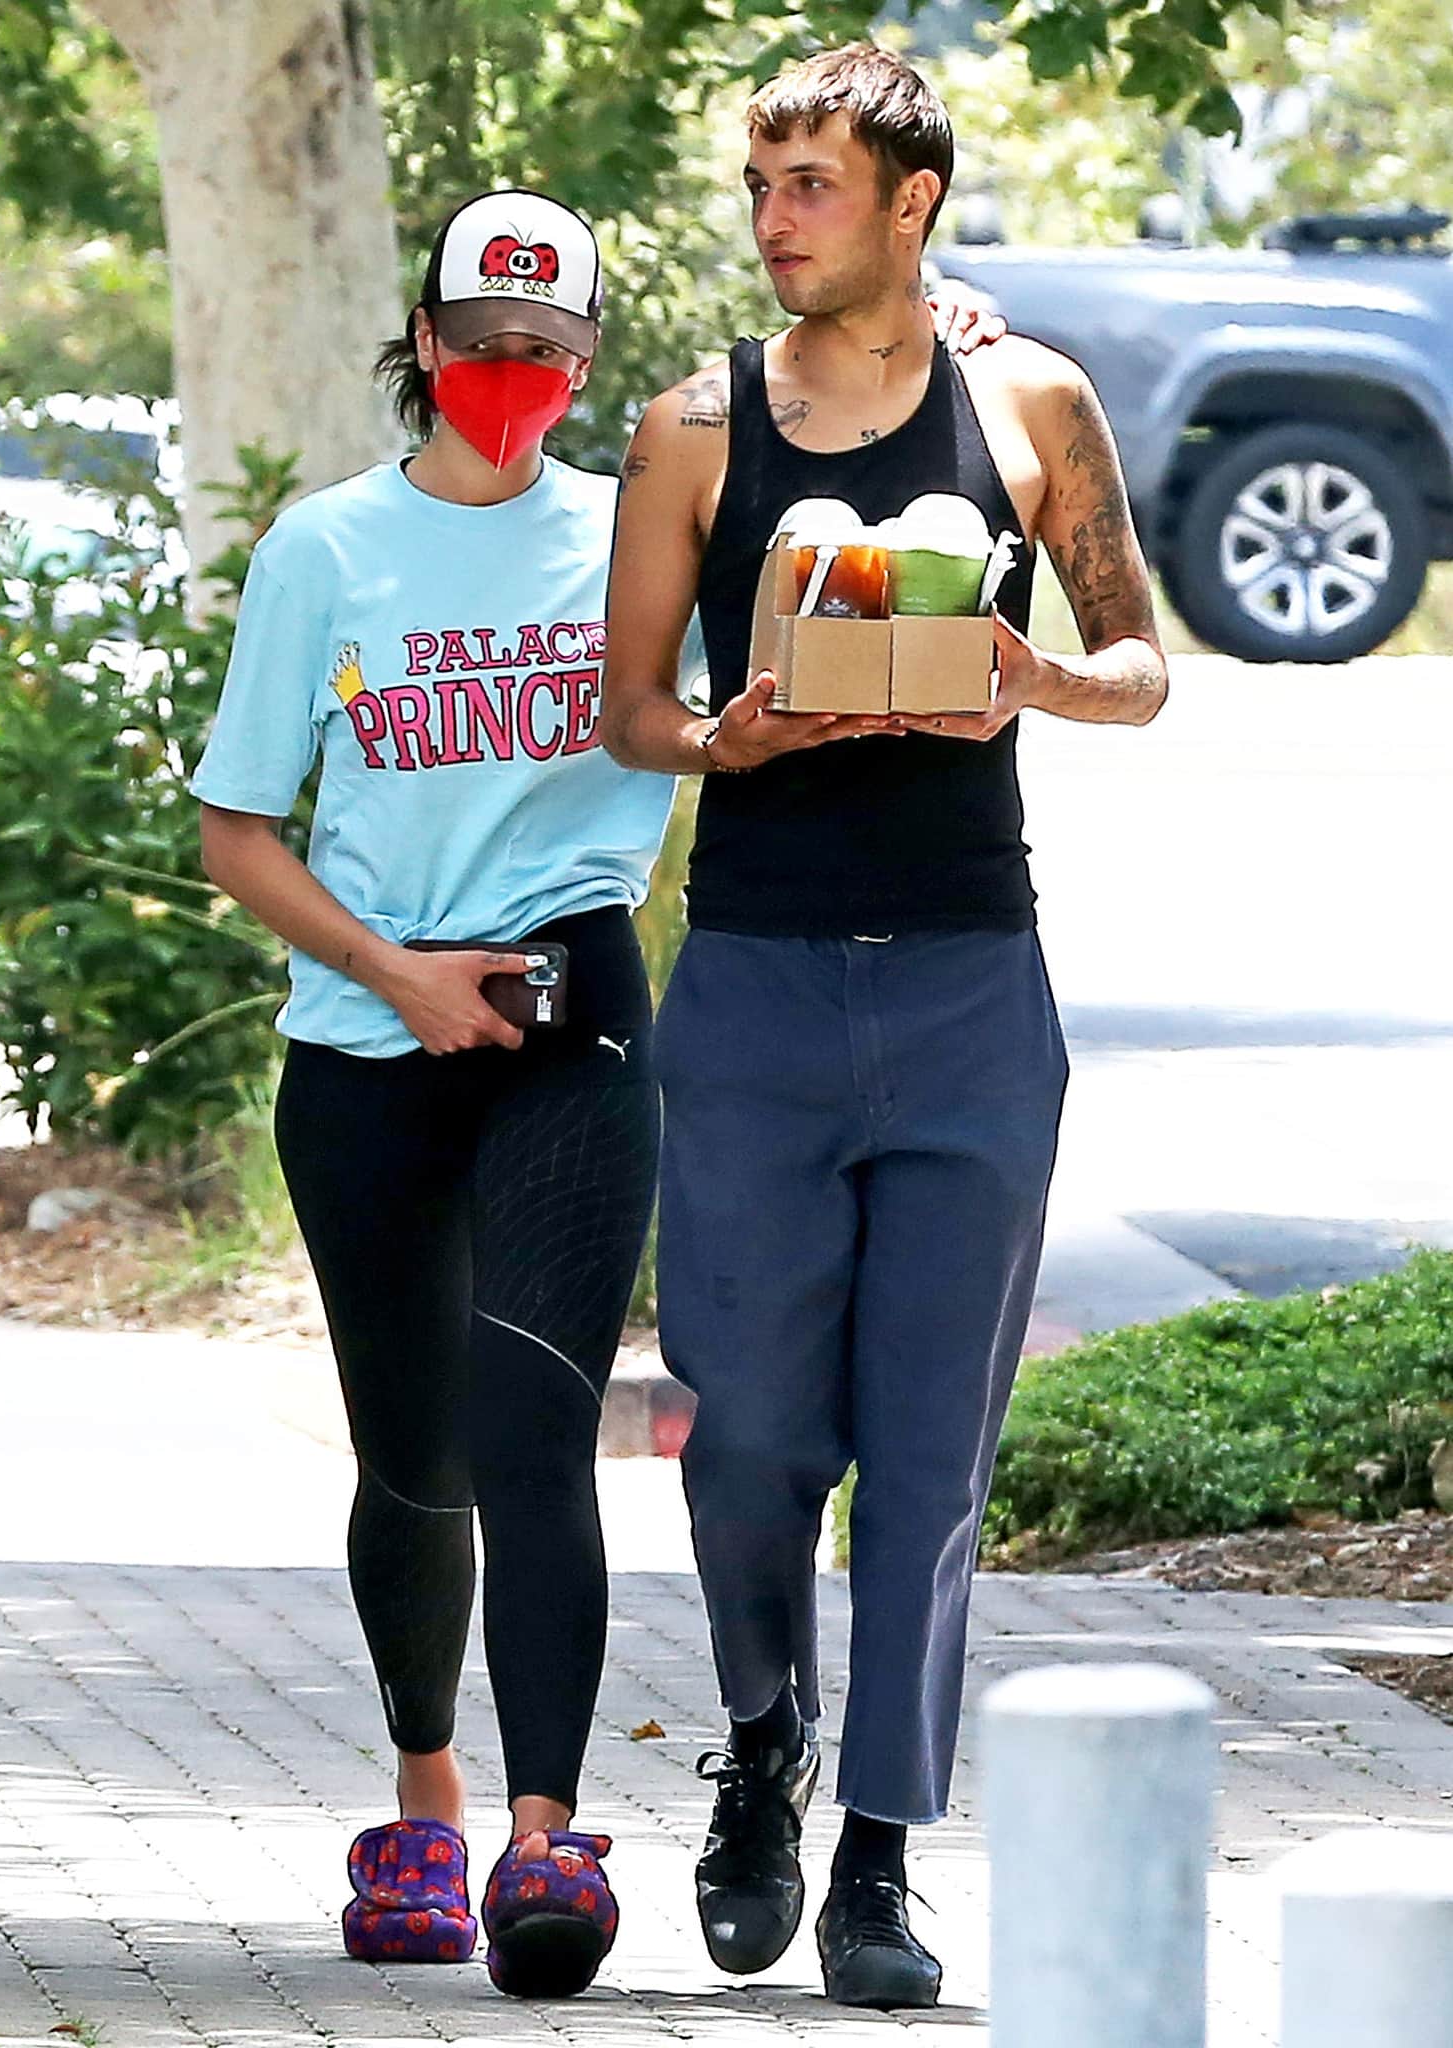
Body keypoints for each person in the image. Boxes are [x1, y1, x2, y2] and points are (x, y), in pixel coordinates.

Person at [601, 42, 1168, 2014]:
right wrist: (726, 736)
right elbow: (631, 713)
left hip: (964, 993)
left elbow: (1140, 665)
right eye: (758, 186)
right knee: (743, 1431)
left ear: (912, 203)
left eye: (809, 187)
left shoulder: (1030, 405)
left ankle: (874, 1858)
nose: (771, 222)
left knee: (932, 1456)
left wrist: (1020, 676)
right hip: (750, 987)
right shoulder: (688, 430)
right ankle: (765, 1746)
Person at [190, 189, 673, 2000]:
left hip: (569, 1027)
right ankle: (424, 1799)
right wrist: (397, 976)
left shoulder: (637, 541)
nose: (512, 378)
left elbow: (758, 680)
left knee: (542, 1430)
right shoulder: (326, 551)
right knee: (417, 1456)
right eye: (484, 345)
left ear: (586, 361)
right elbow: (240, 826)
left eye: (547, 353)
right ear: (424, 339)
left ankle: (548, 1846)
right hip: (370, 1048)